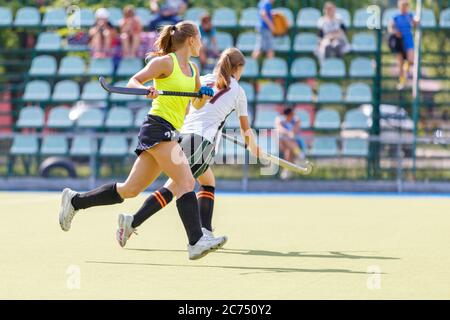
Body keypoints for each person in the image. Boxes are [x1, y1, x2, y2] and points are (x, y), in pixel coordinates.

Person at [58, 21, 227, 260]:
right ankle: (196, 240)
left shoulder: (193, 69)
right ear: (191, 40)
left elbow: (196, 104)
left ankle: (75, 201)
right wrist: (146, 89)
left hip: (170, 130)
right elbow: (133, 81)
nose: (201, 43)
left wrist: (204, 96)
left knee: (130, 189)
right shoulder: (164, 62)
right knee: (186, 181)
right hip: (157, 127)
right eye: (199, 38)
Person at [116, 48, 265, 246]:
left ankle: (206, 230)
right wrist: (255, 148)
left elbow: (191, 108)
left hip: (183, 134)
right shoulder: (238, 91)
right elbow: (246, 129)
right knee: (174, 186)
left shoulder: (202, 79)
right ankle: (132, 221)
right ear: (237, 68)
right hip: (200, 142)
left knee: (207, 181)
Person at [389, 0, 419, 90]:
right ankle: (402, 81)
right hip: (399, 42)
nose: (404, 8)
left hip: (408, 40)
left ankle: (406, 73)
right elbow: (390, 27)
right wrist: (395, 31)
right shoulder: (395, 17)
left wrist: (416, 21)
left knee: (411, 60)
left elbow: (416, 21)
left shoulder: (410, 15)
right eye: (402, 6)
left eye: (405, 6)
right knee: (400, 63)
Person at [275, 108, 305, 180]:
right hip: (281, 144)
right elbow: (279, 129)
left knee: (288, 150)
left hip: (293, 143)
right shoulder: (280, 119)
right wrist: (288, 133)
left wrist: (290, 134)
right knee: (285, 140)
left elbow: (295, 130)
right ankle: (299, 155)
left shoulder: (296, 119)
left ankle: (286, 170)